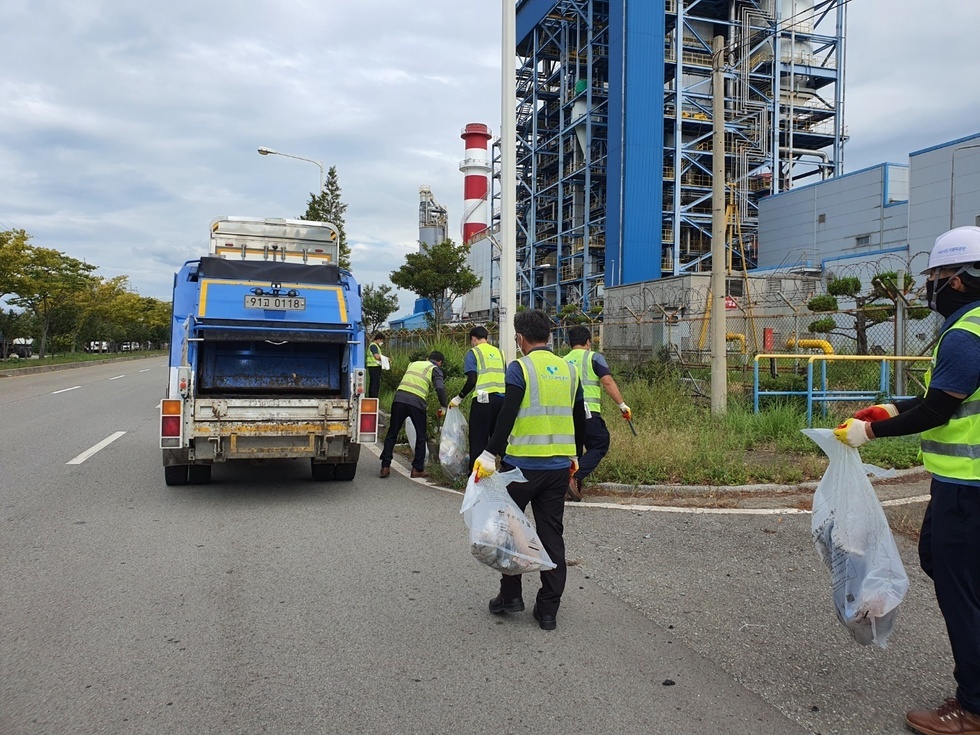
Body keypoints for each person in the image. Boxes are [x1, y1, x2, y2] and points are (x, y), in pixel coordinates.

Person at [835, 225, 980, 735]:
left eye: (937, 275)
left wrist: (871, 431)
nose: (931, 286)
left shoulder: (966, 332)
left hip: (969, 485)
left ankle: (973, 707)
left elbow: (941, 409)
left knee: (961, 589)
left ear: (958, 280)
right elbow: (947, 397)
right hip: (961, 482)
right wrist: (891, 407)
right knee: (939, 562)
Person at [473, 309, 586, 631]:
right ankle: (548, 609)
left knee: (511, 534)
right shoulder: (569, 369)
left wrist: (489, 453)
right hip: (557, 470)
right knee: (552, 535)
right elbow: (579, 415)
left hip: (521, 469)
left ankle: (510, 598)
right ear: (549, 336)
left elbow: (507, 414)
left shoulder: (520, 367)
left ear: (519, 338)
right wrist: (574, 455)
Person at [563, 325, 631, 501]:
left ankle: (569, 487)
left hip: (565, 413)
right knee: (600, 443)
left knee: (574, 450)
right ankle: (574, 477)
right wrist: (622, 406)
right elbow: (607, 382)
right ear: (588, 342)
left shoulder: (562, 361)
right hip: (588, 412)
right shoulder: (594, 357)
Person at [379, 351, 447, 479]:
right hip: (416, 403)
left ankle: (385, 467)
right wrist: (444, 405)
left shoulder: (414, 363)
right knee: (421, 435)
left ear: (427, 358)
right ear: (440, 363)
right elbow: (440, 388)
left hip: (399, 399)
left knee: (392, 433)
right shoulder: (435, 369)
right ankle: (417, 469)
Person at [449, 326, 506, 469]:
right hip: (501, 400)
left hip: (483, 400)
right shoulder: (500, 353)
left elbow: (472, 379)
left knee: (478, 438)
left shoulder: (473, 352)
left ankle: (475, 474)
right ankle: (510, 468)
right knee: (498, 437)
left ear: (473, 338)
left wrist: (459, 397)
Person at [365, 332, 387, 399]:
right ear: (379, 339)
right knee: (375, 384)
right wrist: (386, 359)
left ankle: (372, 398)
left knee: (373, 383)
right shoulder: (374, 346)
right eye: (381, 341)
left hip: (373, 367)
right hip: (374, 367)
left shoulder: (374, 346)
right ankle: (373, 398)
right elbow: (376, 357)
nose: (381, 343)